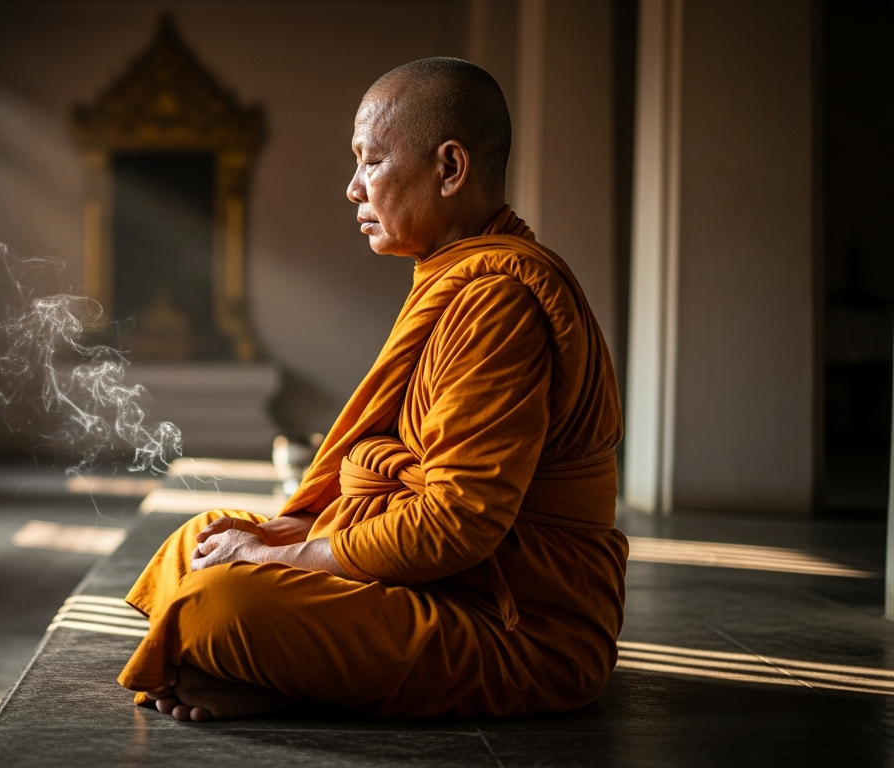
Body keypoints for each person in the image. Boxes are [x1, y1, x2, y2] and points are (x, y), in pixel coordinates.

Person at [118, 57, 626, 722]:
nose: (354, 189)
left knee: (222, 607)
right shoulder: (452, 280)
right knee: (202, 540)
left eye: (371, 162)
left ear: (450, 169)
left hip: (512, 626)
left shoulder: (499, 302)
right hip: (426, 586)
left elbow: (456, 523)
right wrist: (279, 536)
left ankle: (265, 674)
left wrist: (294, 555)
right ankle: (266, 675)